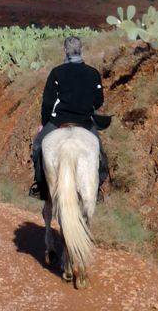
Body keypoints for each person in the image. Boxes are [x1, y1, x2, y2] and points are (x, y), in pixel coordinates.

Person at [28, 36, 110, 200]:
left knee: (37, 147)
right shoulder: (93, 73)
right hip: (86, 123)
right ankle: (97, 188)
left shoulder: (57, 72)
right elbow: (99, 100)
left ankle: (41, 187)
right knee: (101, 154)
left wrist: (44, 123)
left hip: (59, 121)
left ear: (65, 52)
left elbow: (48, 102)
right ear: (81, 50)